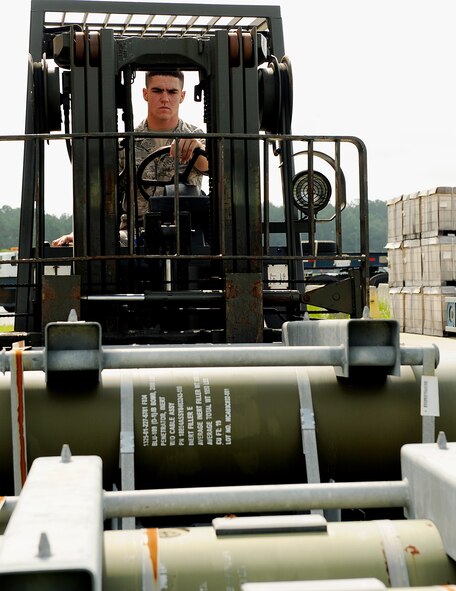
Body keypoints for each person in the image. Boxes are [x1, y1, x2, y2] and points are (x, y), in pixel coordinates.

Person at [52, 69, 208, 246]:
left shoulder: (197, 138)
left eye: (172, 92)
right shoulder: (125, 144)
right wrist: (80, 232)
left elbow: (212, 168)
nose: (165, 98)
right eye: (157, 91)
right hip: (135, 233)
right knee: (99, 246)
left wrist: (197, 151)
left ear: (182, 96)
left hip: (187, 231)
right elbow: (104, 194)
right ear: (145, 94)